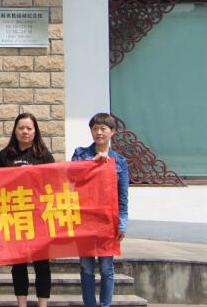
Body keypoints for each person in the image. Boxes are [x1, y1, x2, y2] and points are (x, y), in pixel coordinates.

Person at [0, 113, 55, 307]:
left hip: (39, 219)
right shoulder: (5, 155)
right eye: (21, 128)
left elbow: (53, 185)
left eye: (29, 128)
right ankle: (21, 303)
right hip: (15, 219)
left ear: (35, 131)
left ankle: (42, 304)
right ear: (15, 130)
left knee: (42, 264)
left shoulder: (44, 155)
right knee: (18, 265)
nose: (25, 132)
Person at [72, 112, 129, 307]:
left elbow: (122, 197)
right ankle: (89, 304)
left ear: (112, 132)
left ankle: (105, 305)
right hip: (85, 219)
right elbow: (72, 179)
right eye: (95, 128)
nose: (99, 132)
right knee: (86, 267)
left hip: (107, 221)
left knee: (106, 268)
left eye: (103, 128)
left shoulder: (120, 161)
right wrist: (93, 164)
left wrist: (122, 223)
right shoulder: (80, 154)